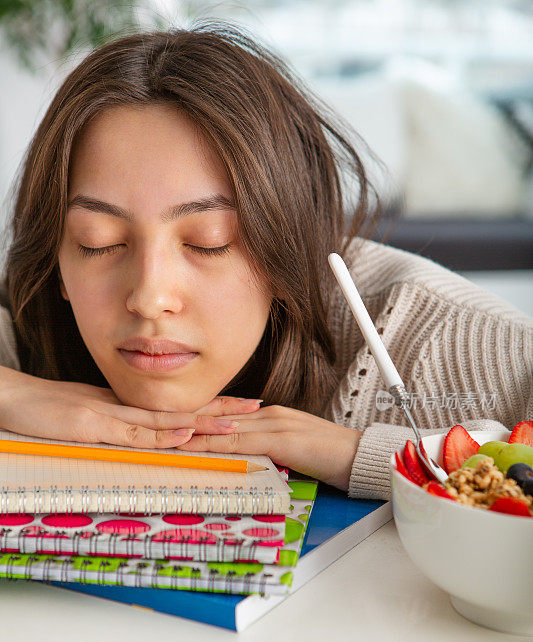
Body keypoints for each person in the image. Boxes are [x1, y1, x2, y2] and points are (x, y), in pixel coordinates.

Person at [0, 23, 531, 502]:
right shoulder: (28, 311)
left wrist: (365, 455)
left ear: (286, 247)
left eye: (210, 242)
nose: (149, 297)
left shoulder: (440, 335)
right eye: (99, 241)